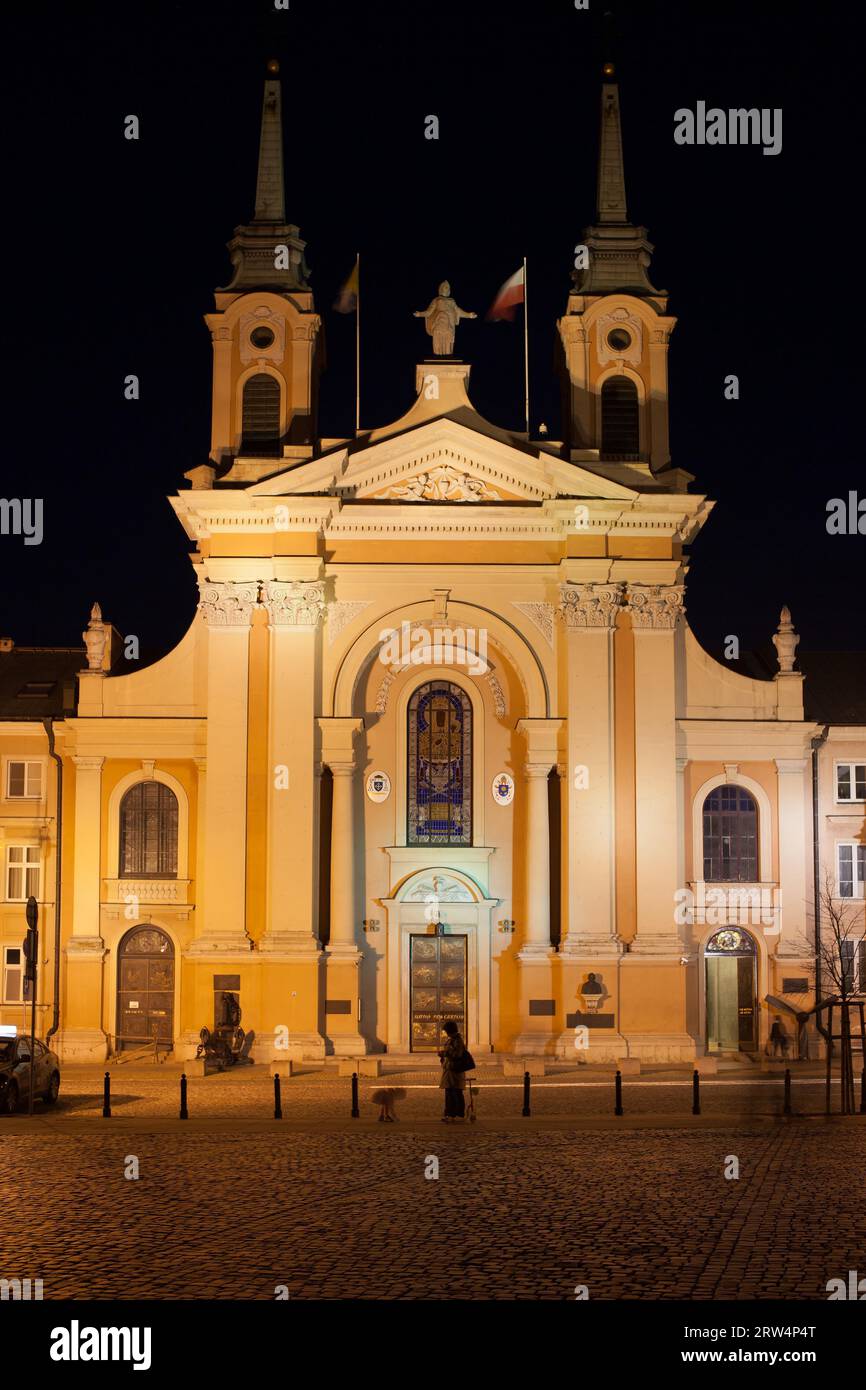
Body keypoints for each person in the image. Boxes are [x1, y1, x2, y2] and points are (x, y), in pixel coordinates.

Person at [439, 1020, 467, 1122]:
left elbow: (458, 1054)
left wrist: (445, 1053)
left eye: (446, 1030)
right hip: (449, 1069)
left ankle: (458, 1114)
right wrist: (443, 1055)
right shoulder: (451, 1040)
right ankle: (449, 1114)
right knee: (449, 1092)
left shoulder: (457, 1040)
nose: (446, 1033)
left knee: (456, 1092)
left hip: (455, 1070)